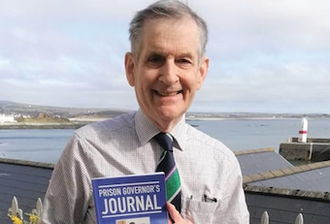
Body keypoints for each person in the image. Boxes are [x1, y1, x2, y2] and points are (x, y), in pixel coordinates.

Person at [39, 0, 249, 223]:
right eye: (155, 59)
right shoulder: (87, 150)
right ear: (131, 69)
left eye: (183, 60)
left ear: (201, 73)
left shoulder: (222, 164)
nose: (169, 76)